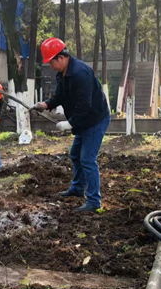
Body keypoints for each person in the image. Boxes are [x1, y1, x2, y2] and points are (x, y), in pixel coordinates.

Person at [33, 38, 111, 212]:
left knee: (87, 159)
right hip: (83, 120)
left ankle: (94, 201)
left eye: (51, 62)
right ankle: (77, 188)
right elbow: (60, 96)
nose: (50, 65)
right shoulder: (62, 74)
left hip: (95, 120)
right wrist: (45, 105)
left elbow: (85, 105)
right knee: (75, 154)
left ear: (61, 57)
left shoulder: (80, 73)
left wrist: (69, 124)